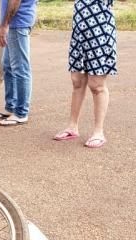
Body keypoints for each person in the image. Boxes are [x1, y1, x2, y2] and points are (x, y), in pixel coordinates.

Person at [54, 0, 117, 148]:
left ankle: (98, 132)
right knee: (77, 81)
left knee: (97, 85)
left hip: (101, 33)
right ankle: (72, 127)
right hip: (79, 34)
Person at [0, 0, 37, 126]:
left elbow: (15, 1)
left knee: (20, 69)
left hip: (17, 24)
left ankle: (21, 113)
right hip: (15, 23)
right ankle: (11, 107)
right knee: (8, 66)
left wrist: (4, 25)